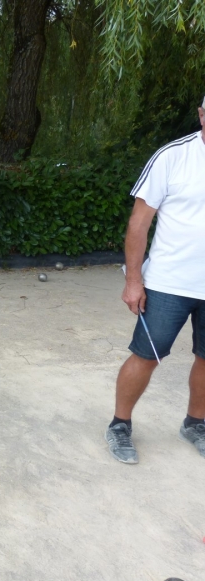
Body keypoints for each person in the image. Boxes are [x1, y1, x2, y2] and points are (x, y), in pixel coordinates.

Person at [105, 96, 205, 463]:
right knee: (147, 356)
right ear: (201, 115)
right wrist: (133, 280)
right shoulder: (172, 157)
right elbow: (138, 224)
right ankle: (119, 425)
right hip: (168, 283)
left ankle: (195, 424)